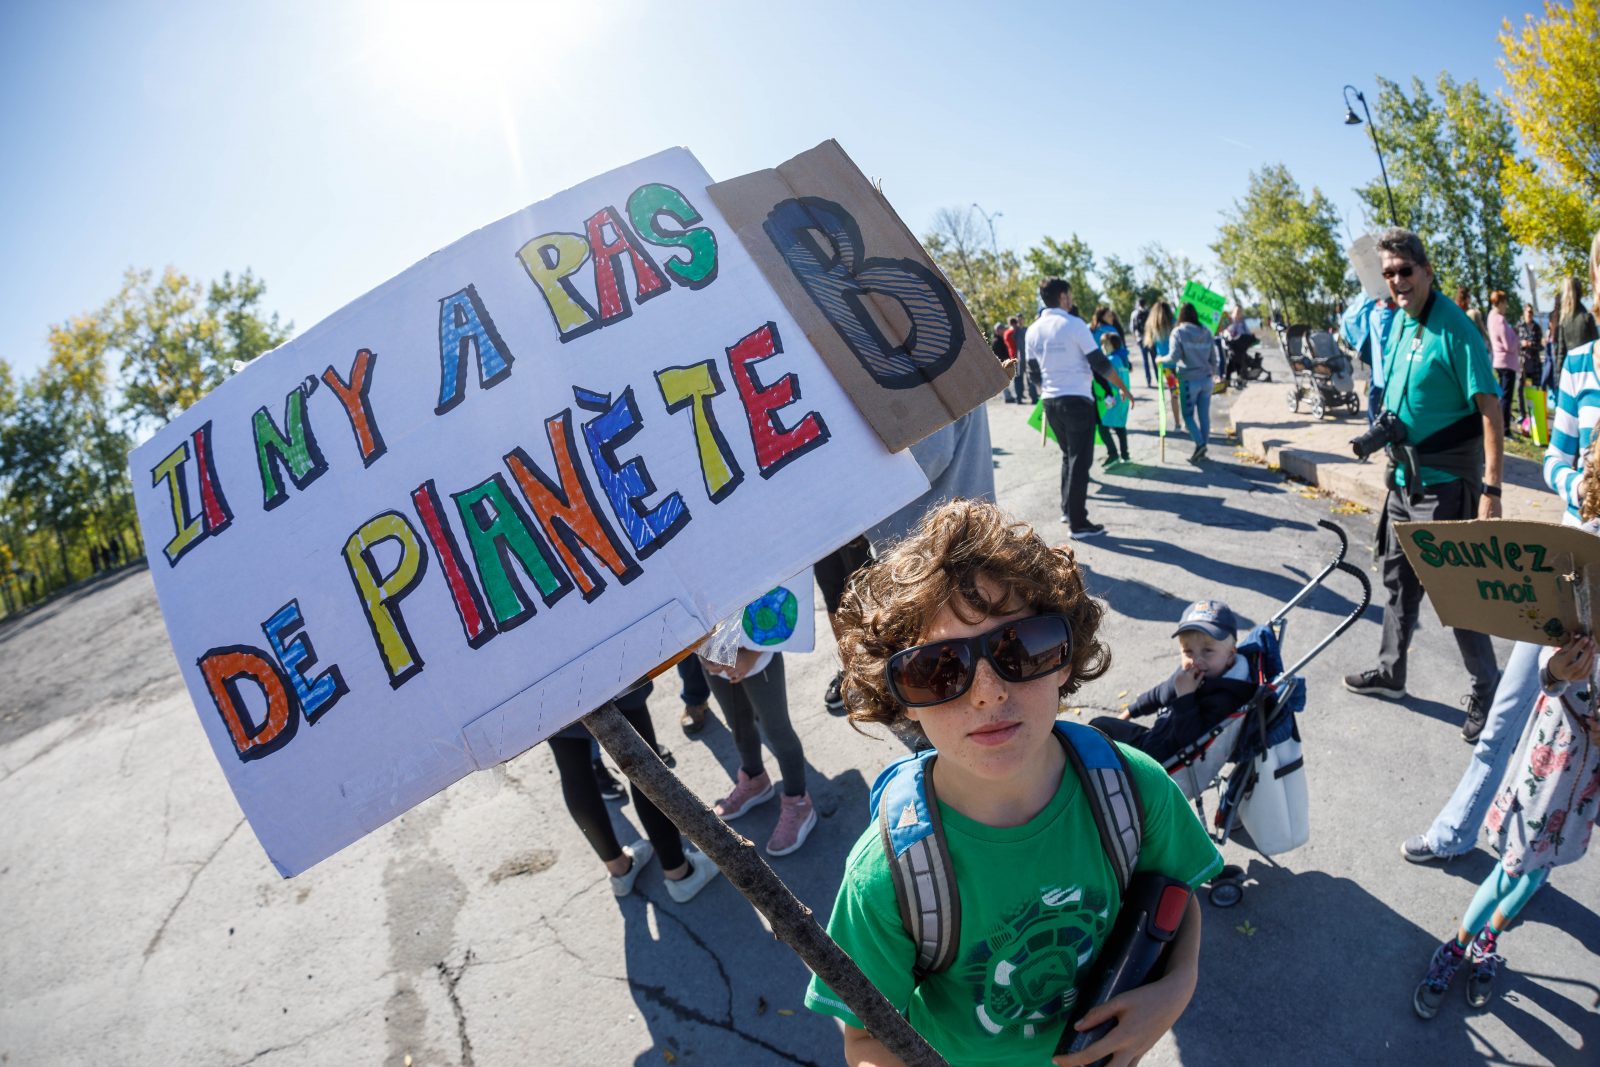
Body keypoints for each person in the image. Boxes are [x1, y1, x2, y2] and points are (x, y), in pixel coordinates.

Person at [803, 500, 1222, 1067]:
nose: (987, 693)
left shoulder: (1134, 790)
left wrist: (1179, 986)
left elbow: (1175, 892)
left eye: (1019, 648)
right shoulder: (887, 877)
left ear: (1066, 658)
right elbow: (863, 1038)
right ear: (900, 698)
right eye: (937, 669)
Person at [1401, 230, 1600, 865]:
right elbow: (1553, 462)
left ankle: (1541, 852)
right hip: (1569, 567)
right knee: (1509, 712)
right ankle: (1456, 830)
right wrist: (1587, 484)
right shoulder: (1580, 364)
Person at [1343, 228, 1502, 742]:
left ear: (1427, 271)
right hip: (1403, 482)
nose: (1396, 281)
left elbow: (1491, 410)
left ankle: (1487, 690)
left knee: (1455, 596)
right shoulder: (1402, 324)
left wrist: (1492, 490)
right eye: (1388, 273)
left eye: (1404, 271)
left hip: (1445, 484)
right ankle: (1392, 673)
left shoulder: (1454, 328)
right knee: (1396, 582)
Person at [1411, 630, 1600, 1020]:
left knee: (1540, 868)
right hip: (1549, 771)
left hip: (1587, 781)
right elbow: (1548, 672)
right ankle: (1456, 948)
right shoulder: (1584, 603)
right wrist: (1556, 669)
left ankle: (1487, 940)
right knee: (1512, 868)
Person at [547, 681, 719, 902]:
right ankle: (680, 872)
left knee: (571, 763)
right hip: (598, 664)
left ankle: (618, 868)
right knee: (643, 756)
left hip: (534, 677)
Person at [1028, 279, 1133, 537]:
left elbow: (1032, 373)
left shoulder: (1033, 330)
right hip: (1077, 401)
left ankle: (1067, 510)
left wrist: (1048, 392)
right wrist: (1124, 388)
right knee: (1080, 461)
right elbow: (1100, 363)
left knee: (1068, 456)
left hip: (1051, 402)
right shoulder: (1075, 325)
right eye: (1070, 294)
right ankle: (1078, 523)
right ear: (1063, 296)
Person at [1091, 600, 1257, 763]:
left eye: (1207, 651)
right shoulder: (1194, 672)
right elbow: (1162, 692)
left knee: (1093, 739)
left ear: (1230, 654)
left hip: (1159, 762)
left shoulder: (1227, 697)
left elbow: (1193, 743)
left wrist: (1185, 698)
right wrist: (1129, 712)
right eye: (1188, 651)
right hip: (1154, 738)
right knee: (1097, 728)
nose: (1196, 660)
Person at [703, 639, 817, 856]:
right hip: (713, 660)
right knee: (738, 723)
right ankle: (755, 781)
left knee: (778, 732)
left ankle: (798, 802)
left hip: (759, 659)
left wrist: (752, 655)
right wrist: (701, 653)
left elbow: (776, 606)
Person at [1166, 303, 1217, 463]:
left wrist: (1160, 359)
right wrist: (1212, 374)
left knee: (1187, 415)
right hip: (1206, 380)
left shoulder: (1178, 332)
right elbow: (1214, 359)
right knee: (1204, 417)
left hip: (1189, 380)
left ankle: (1200, 444)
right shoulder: (1206, 332)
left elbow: (1173, 357)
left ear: (1181, 316)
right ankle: (1202, 448)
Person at [1341, 293, 1397, 428]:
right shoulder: (1373, 295)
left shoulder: (1371, 295)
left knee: (1377, 382)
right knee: (1378, 382)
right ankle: (1374, 422)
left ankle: (1374, 421)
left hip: (1377, 339)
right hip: (1376, 340)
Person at [1093, 331, 1132, 466]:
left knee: (1102, 426)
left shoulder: (1110, 360)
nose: (1101, 347)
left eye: (1103, 344)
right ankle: (1125, 455)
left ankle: (1113, 453)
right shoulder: (1123, 359)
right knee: (1120, 425)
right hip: (1124, 397)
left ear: (1109, 344)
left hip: (1112, 398)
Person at [1554, 276, 1599, 388]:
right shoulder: (1587, 317)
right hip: (1587, 370)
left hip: (1570, 370)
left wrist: (1559, 378)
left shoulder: (1564, 320)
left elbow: (1561, 352)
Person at [1144, 299, 1180, 428]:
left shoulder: (1154, 326)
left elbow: (1150, 343)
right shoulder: (1174, 323)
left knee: (1173, 393)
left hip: (1166, 367)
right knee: (1180, 393)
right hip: (1179, 364)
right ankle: (1186, 421)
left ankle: (1177, 424)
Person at [1487, 291, 1519, 434]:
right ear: (1499, 303)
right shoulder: (1499, 320)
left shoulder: (1490, 317)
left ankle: (1500, 424)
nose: (1506, 306)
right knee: (1506, 397)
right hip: (1506, 362)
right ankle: (1504, 428)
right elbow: (1509, 345)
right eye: (1505, 302)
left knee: (1502, 395)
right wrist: (1516, 337)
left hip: (1499, 361)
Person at [1516, 304, 1544, 427]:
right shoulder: (1519, 326)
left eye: (1531, 312)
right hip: (1522, 363)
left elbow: (1540, 346)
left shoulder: (1537, 328)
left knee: (1535, 389)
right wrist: (1522, 344)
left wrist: (1530, 344)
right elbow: (1514, 343)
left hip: (1535, 364)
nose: (1530, 314)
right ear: (1524, 313)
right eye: (1528, 312)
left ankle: (1535, 414)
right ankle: (1522, 414)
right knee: (1520, 388)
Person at [1129, 296, 1154, 387]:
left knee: (1145, 361)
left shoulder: (1134, 314)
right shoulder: (1149, 312)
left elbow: (1132, 328)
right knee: (1154, 360)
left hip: (1141, 339)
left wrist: (1136, 338)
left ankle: (1148, 380)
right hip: (1150, 339)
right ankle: (1158, 379)